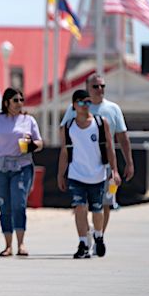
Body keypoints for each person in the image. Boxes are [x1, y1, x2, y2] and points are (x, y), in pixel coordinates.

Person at [60, 73, 134, 239]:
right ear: (87, 88)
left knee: (104, 204)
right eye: (95, 86)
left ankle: (98, 236)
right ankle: (85, 238)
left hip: (104, 166)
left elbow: (122, 137)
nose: (99, 89)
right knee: (81, 205)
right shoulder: (75, 109)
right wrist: (62, 170)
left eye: (102, 86)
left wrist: (129, 163)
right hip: (80, 166)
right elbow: (64, 137)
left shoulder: (113, 109)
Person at [0, 88, 43, 257]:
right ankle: (7, 245)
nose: (20, 103)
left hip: (21, 166)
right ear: (6, 103)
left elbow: (40, 142)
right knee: (4, 206)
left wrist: (32, 145)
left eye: (21, 99)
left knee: (19, 204)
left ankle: (21, 244)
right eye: (15, 100)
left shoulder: (28, 120)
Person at [58, 90, 121, 259]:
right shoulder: (68, 127)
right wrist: (60, 175)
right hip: (76, 174)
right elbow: (64, 152)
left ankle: (98, 236)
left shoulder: (101, 123)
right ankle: (83, 243)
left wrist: (114, 171)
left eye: (87, 102)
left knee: (97, 209)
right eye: (80, 102)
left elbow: (109, 147)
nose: (84, 105)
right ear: (73, 105)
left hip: (98, 173)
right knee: (79, 207)